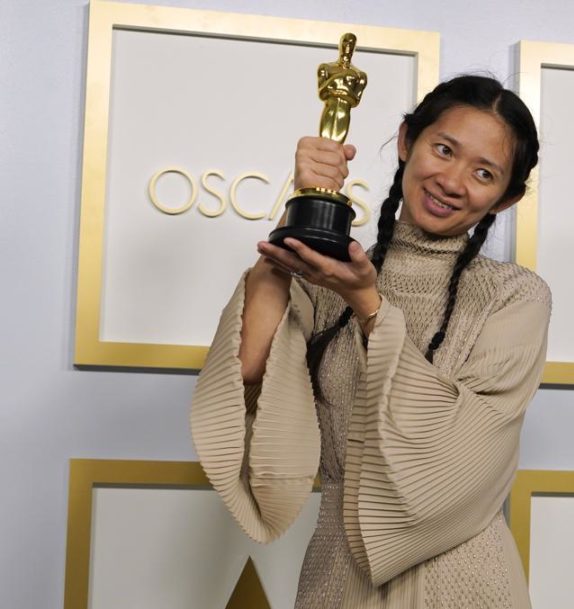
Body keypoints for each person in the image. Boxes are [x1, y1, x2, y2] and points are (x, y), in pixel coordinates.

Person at [191, 75, 550, 609]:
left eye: (483, 172)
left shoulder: (515, 296)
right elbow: (247, 374)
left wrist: (368, 305)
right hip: (338, 574)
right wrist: (300, 213)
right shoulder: (330, 276)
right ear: (407, 141)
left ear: (506, 198)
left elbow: (459, 452)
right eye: (443, 149)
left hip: (467, 579)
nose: (452, 181)